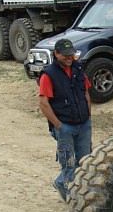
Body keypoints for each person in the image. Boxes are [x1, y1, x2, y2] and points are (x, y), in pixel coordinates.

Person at [38, 38, 92, 201]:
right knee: (68, 162)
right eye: (66, 55)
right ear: (56, 54)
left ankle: (61, 183)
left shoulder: (78, 69)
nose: (70, 57)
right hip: (65, 126)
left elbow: (86, 93)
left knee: (85, 161)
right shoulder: (48, 75)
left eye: (72, 54)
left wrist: (88, 117)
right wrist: (59, 125)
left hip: (83, 124)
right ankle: (72, 197)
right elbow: (43, 103)